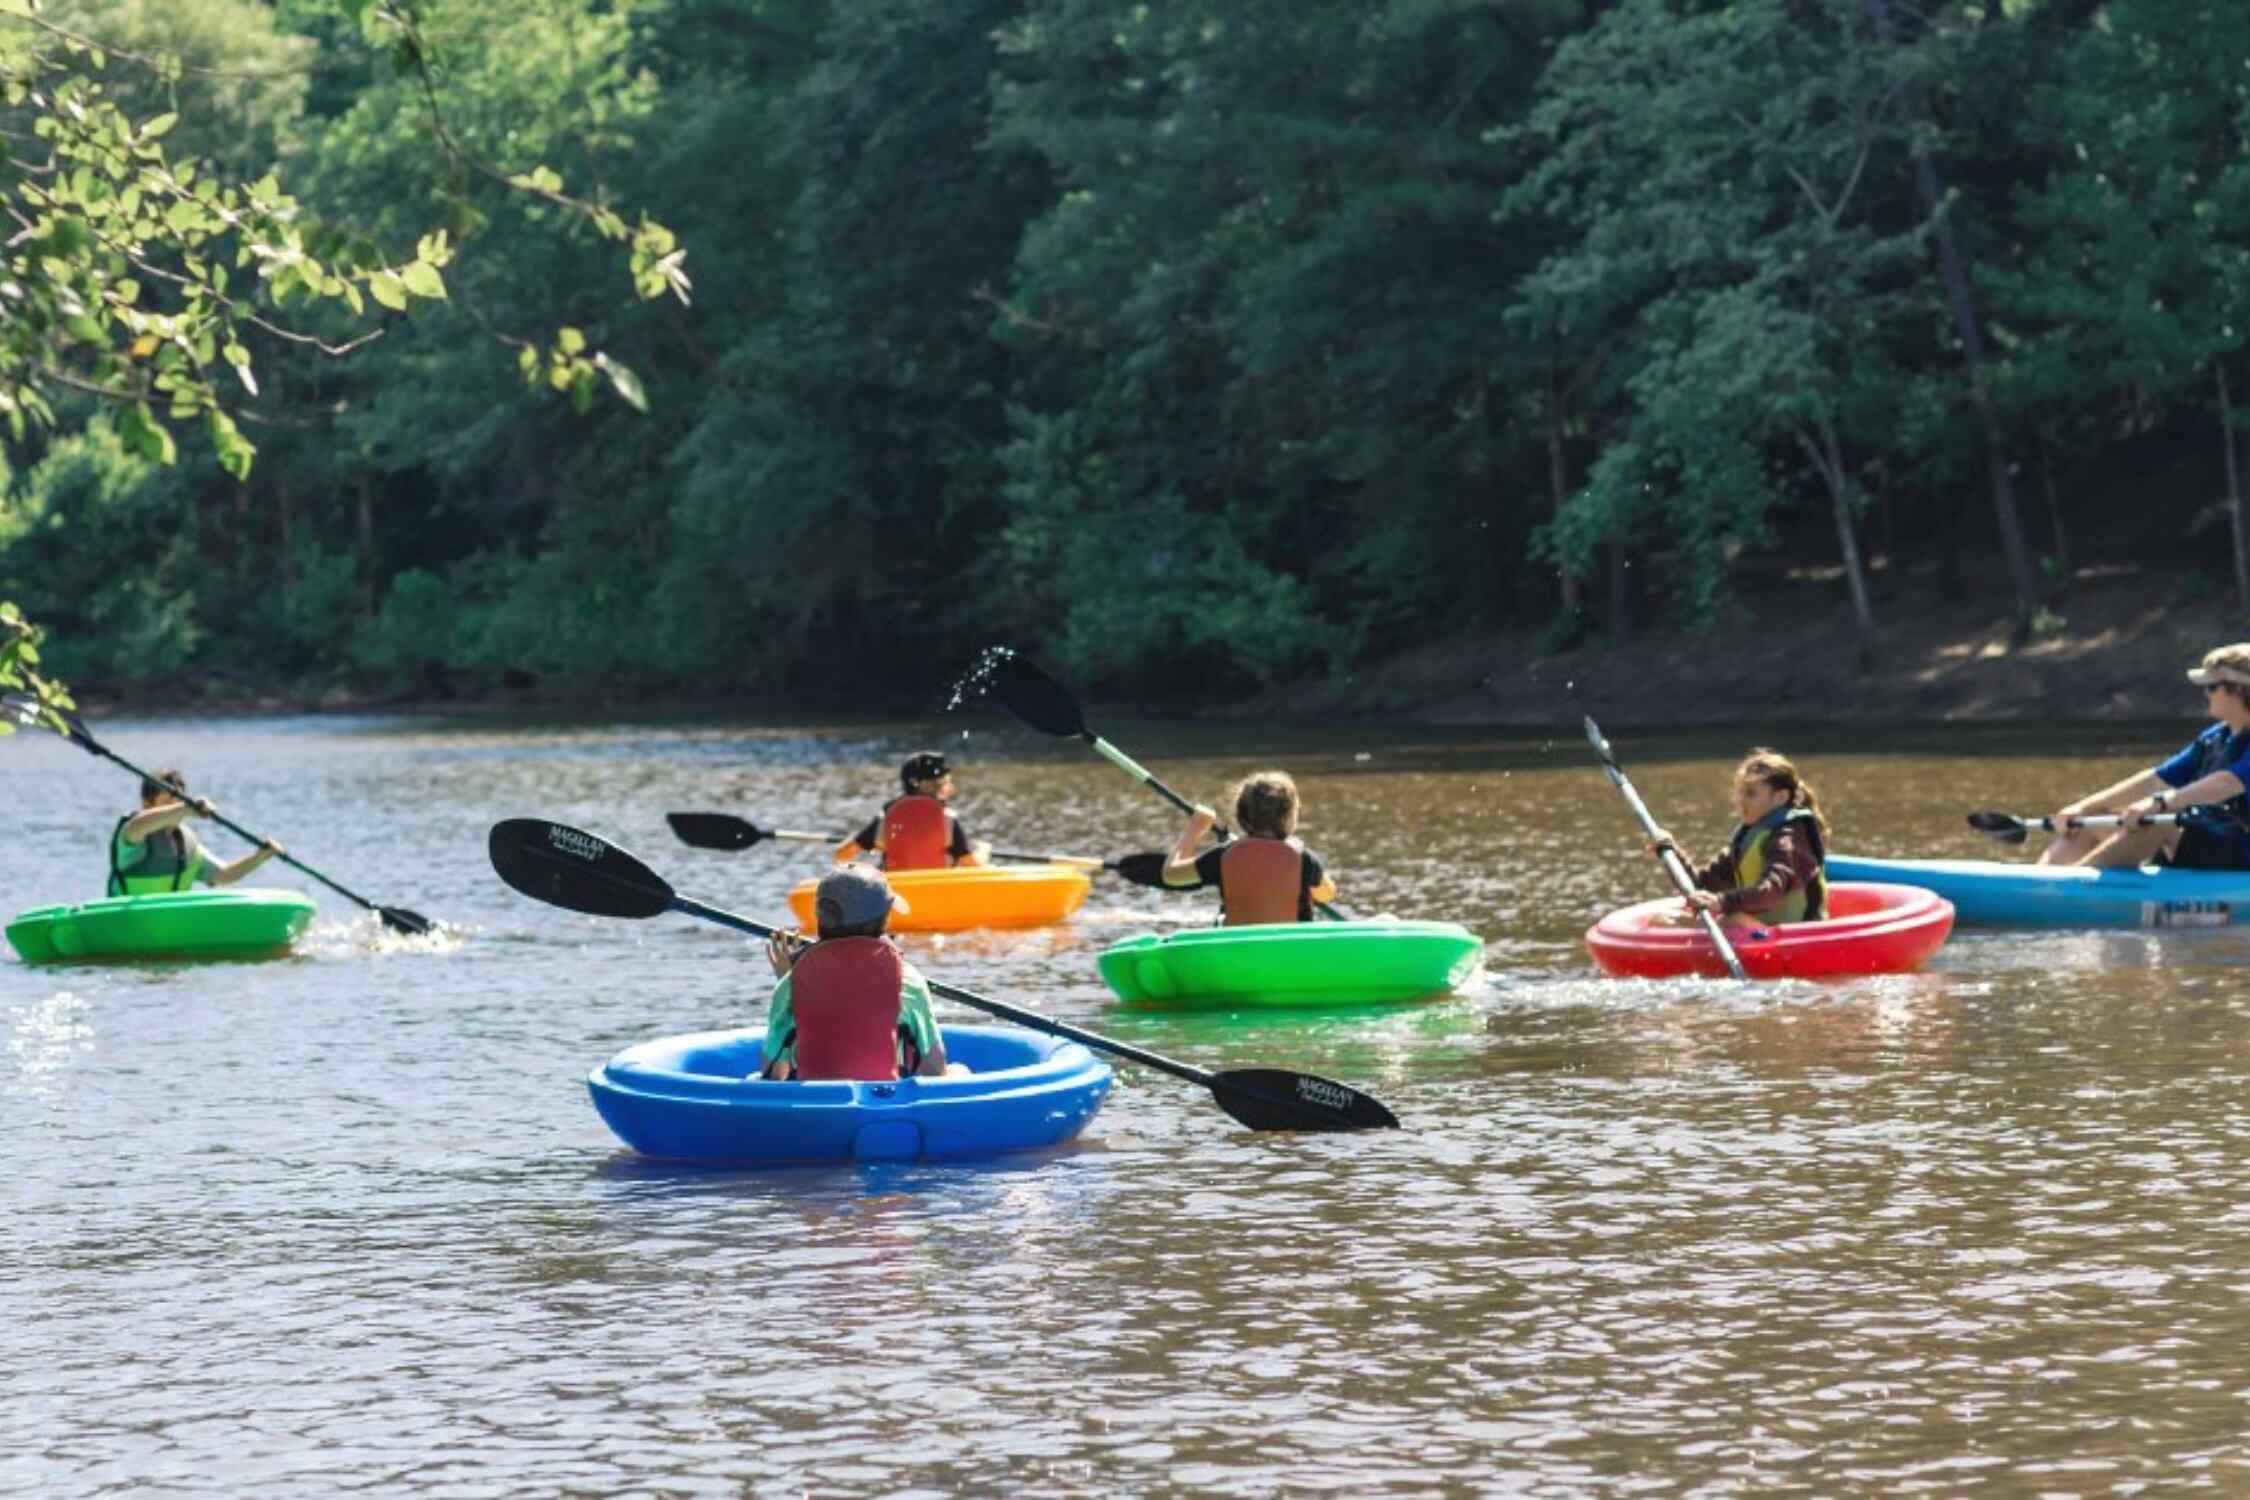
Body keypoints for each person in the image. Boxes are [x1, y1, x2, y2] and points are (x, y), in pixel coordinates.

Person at [2039, 642, 2250, 870]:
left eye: (2211, 686)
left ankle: (2071, 888)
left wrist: (2158, 804)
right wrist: (2082, 808)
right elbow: (2155, 780)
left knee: (2160, 818)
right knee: (2092, 818)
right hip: (2207, 843)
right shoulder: (2215, 737)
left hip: (2239, 855)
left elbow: (2227, 783)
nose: (2205, 693)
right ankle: (2039, 882)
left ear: (2237, 689)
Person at [758, 864, 952, 1082]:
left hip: (816, 1106)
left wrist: (788, 980)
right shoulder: (907, 978)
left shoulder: (791, 982)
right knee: (960, 1071)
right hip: (884, 1107)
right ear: (883, 920)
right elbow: (935, 1069)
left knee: (753, 1078)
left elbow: (774, 1072)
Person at [1647, 748, 1829, 926]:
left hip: (1797, 937)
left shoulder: (1787, 840)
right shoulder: (1748, 838)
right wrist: (1671, 852)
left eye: (1750, 793)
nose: (1740, 800)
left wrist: (1721, 901)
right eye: (1740, 792)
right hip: (1759, 930)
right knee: (1663, 919)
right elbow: (1700, 886)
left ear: (1780, 798)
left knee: (1730, 919)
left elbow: (1770, 893)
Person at [1162, 769, 1339, 924]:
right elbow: (1327, 894)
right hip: (1291, 954)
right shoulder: (1303, 859)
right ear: (1290, 816)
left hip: (1239, 953)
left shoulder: (1223, 856)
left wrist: (1195, 829)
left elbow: (1170, 875)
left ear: (1241, 816)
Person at [108, 769, 283, 896]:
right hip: (127, 920)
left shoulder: (187, 843)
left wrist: (259, 857)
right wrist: (185, 808)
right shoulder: (133, 832)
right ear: (147, 804)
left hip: (170, 924)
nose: (176, 806)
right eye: (168, 801)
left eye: (179, 800)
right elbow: (140, 823)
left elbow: (223, 875)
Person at [832, 751, 990, 872]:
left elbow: (842, 855)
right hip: (936, 891)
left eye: (944, 781)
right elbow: (970, 865)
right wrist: (983, 851)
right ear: (918, 783)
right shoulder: (947, 818)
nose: (942, 787)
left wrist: (873, 860)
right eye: (938, 782)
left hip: (897, 895)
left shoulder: (887, 817)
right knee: (984, 857)